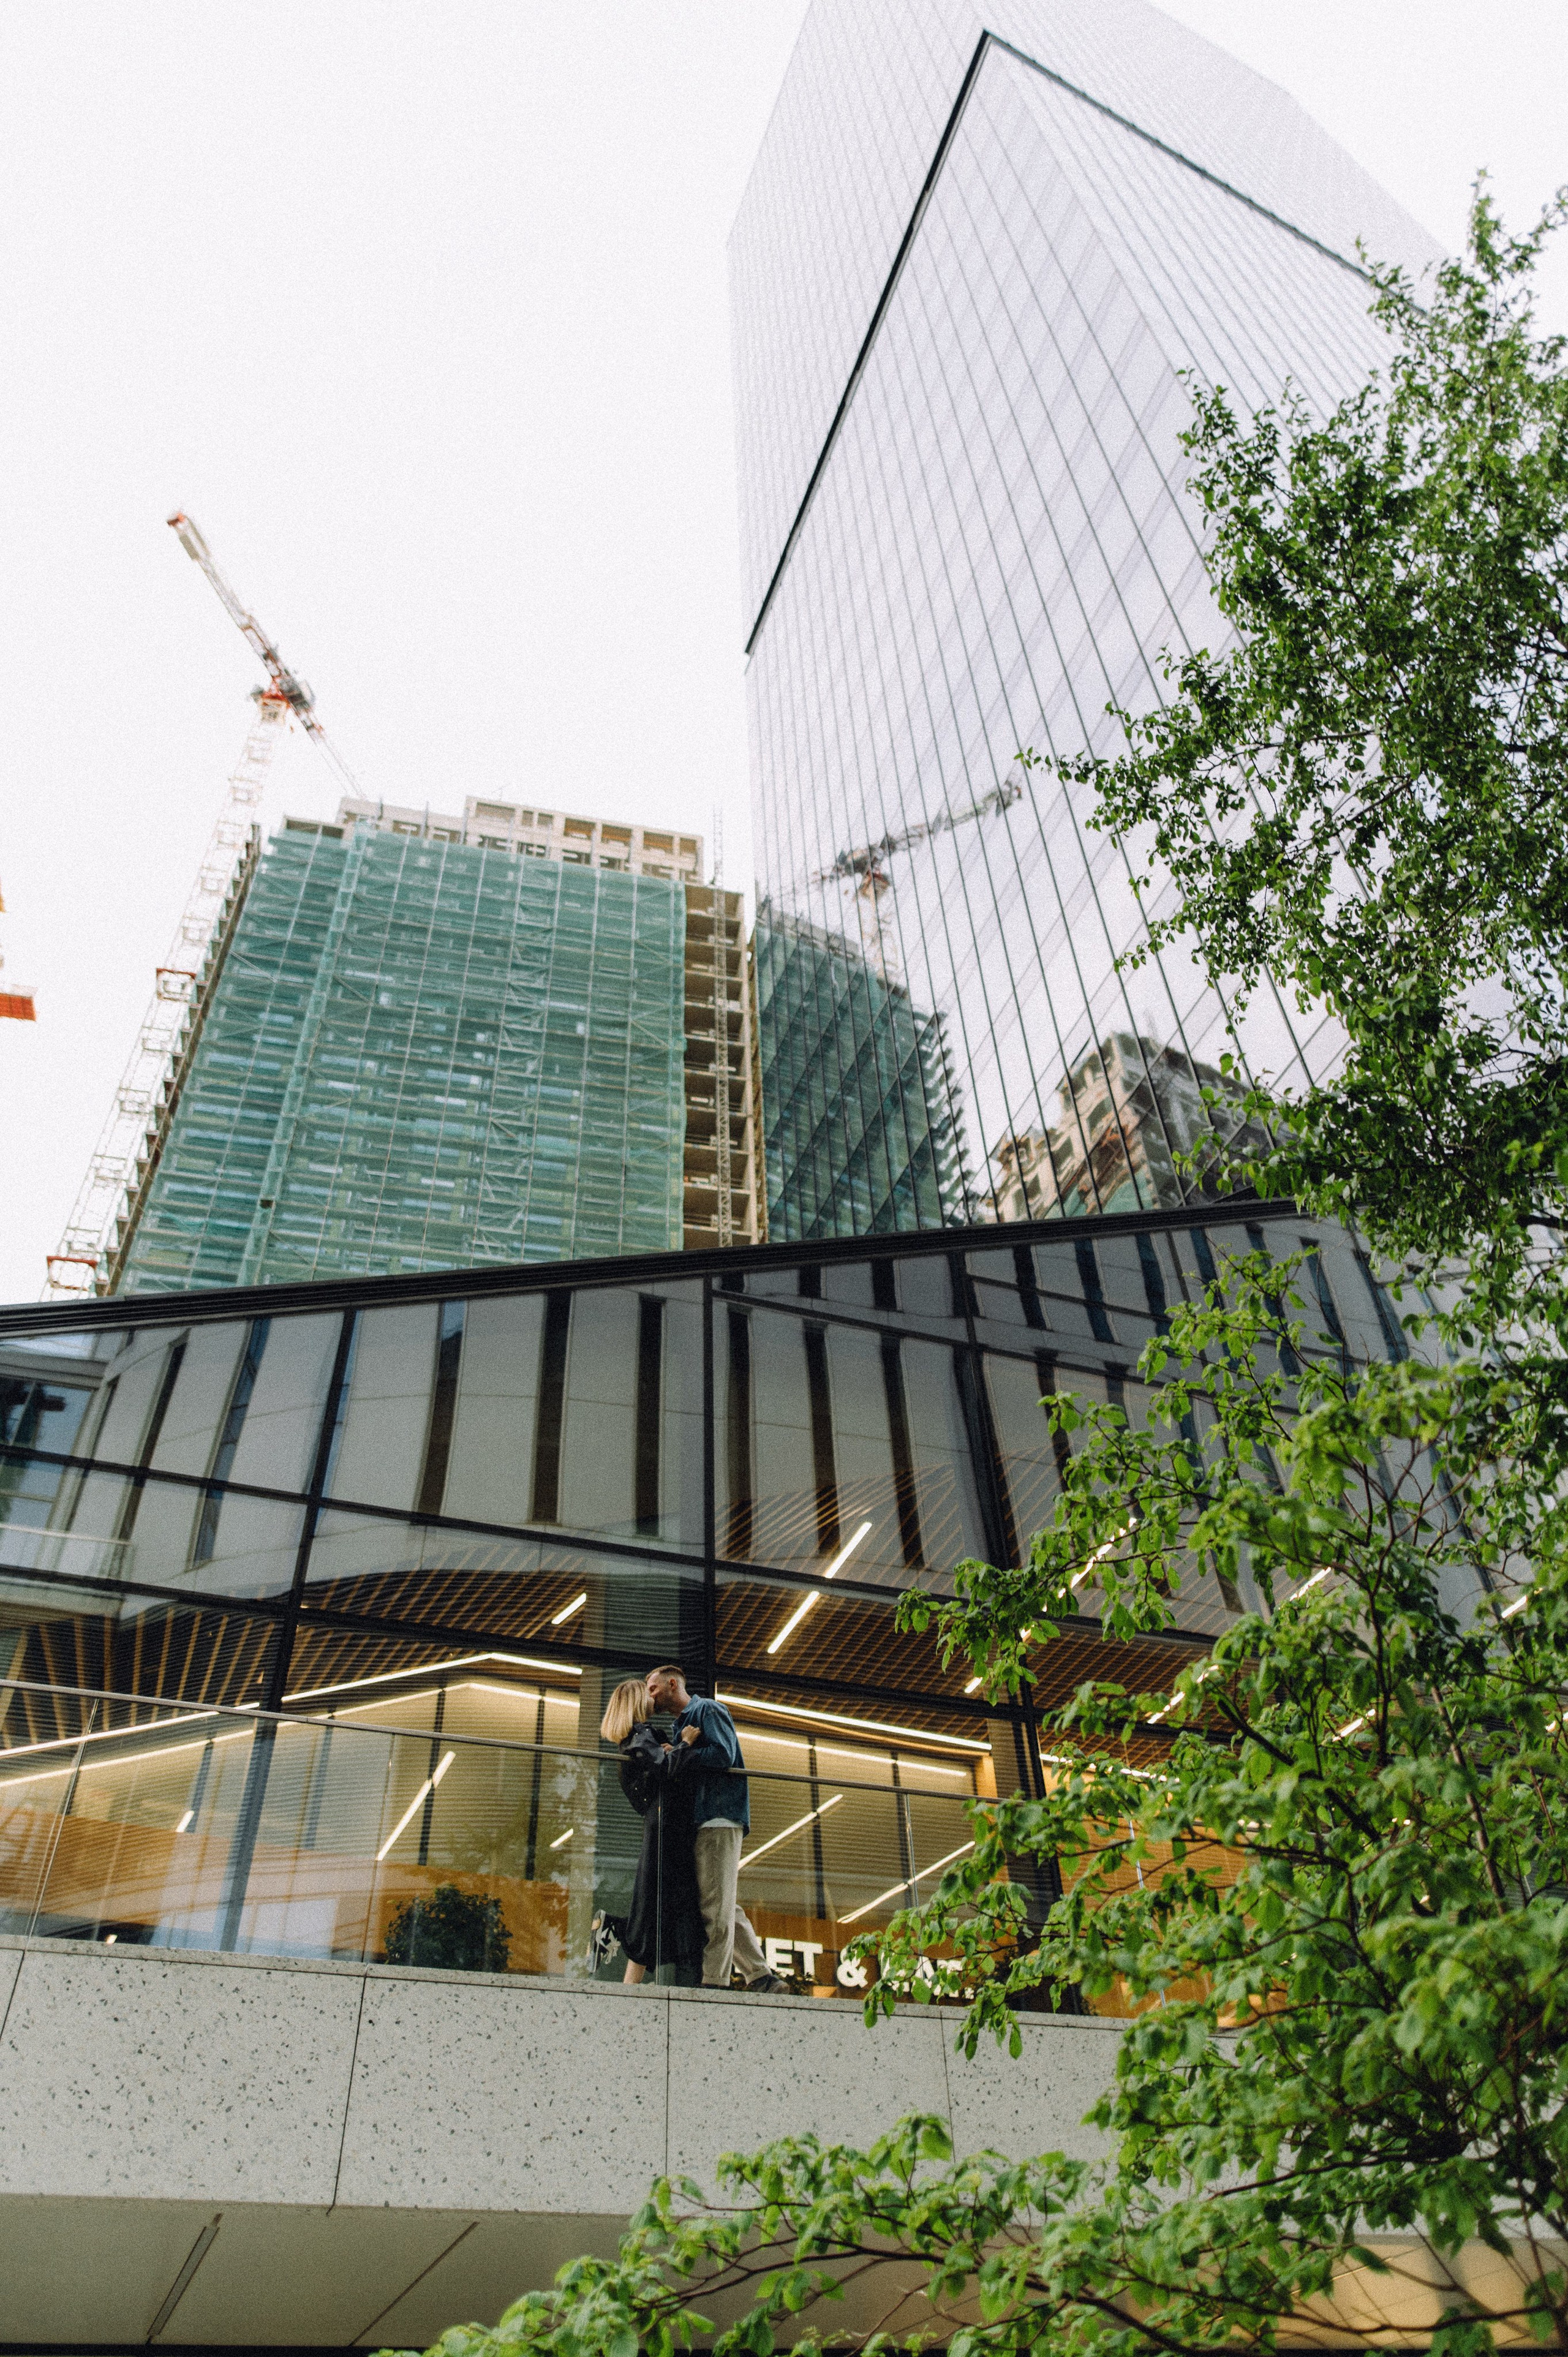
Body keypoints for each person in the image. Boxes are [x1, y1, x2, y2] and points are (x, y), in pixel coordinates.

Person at [645, 1664, 786, 1993]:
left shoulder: (706, 1709)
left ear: (672, 1683)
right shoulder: (681, 1725)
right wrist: (679, 1748)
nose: (650, 1696)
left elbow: (724, 1754)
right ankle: (762, 1977)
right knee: (720, 1901)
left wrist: (684, 1750)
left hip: (718, 1815)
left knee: (715, 1905)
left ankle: (715, 1981)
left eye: (653, 1688)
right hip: (705, 1819)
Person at [597, 1677, 705, 1985]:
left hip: (660, 1823)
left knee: (654, 1902)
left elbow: (658, 1768)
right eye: (646, 1693)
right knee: (665, 1902)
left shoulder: (634, 1738)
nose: (652, 1697)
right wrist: (686, 1743)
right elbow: (666, 1770)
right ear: (636, 1701)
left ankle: (629, 1984)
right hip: (667, 1824)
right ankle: (618, 1933)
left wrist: (671, 1749)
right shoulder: (639, 1735)